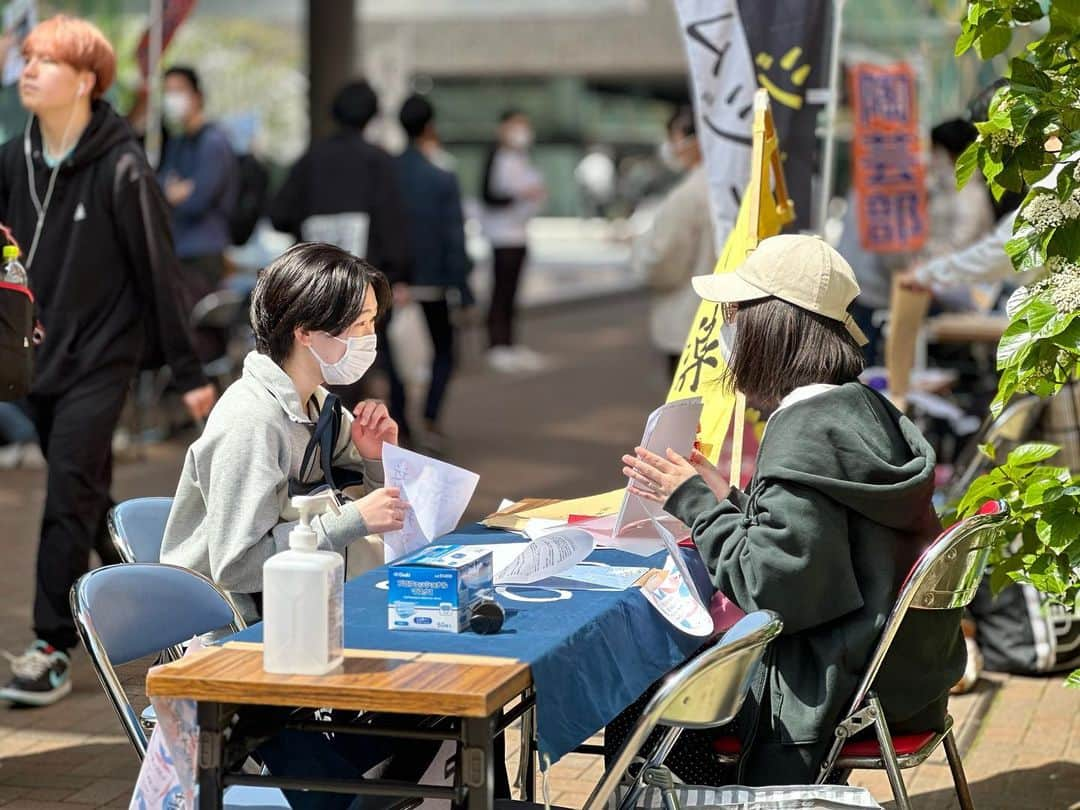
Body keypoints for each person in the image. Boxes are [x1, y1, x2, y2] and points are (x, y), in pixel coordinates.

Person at [617, 234, 964, 784]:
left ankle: (696, 796)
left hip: (827, 681)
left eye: (735, 315)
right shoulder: (861, 406)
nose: (727, 329)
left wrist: (692, 502)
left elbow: (771, 587)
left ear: (771, 327)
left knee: (638, 683)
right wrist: (726, 500)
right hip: (900, 671)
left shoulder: (801, 433)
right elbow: (818, 537)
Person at [0, 15, 214, 706]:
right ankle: (168, 598)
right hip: (34, 362)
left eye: (45, 61)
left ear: (87, 79)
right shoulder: (13, 159)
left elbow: (160, 275)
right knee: (86, 496)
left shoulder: (124, 167)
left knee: (67, 489)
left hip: (101, 360)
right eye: (25, 58)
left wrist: (189, 375)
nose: (28, 70)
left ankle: (50, 644)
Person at [161, 242, 405, 623]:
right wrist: (352, 520)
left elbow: (379, 509)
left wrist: (376, 457)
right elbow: (237, 566)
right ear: (305, 332)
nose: (369, 338)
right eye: (358, 324)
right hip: (239, 632)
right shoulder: (250, 422)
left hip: (306, 605)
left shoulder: (319, 406)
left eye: (372, 323)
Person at [269, 79, 412, 438]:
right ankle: (395, 431)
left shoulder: (310, 160)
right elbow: (392, 222)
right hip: (366, 280)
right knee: (374, 351)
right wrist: (398, 273)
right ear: (372, 116)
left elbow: (279, 213)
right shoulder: (377, 161)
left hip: (314, 283)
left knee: (318, 357)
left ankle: (323, 433)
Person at [395, 94, 471, 451]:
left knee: (388, 355)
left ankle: (400, 422)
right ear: (429, 127)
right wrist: (463, 287)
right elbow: (453, 235)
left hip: (393, 279)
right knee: (444, 351)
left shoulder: (386, 171)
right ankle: (429, 418)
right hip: (434, 281)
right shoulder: (441, 177)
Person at [157, 65, 239, 363]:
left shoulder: (214, 143)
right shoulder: (178, 143)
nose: (171, 98)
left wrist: (178, 193)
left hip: (204, 255)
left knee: (202, 338)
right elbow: (161, 191)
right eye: (167, 92)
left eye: (178, 90)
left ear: (197, 95)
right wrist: (174, 192)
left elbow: (197, 200)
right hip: (178, 253)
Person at [637, 106, 714, 378]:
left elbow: (662, 262)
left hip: (690, 323)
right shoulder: (739, 185)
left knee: (688, 415)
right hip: (736, 328)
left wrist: (639, 253)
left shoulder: (689, 194)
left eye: (675, 137)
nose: (672, 147)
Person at [480, 109, 547, 373]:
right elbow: (490, 195)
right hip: (501, 236)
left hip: (519, 233)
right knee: (501, 290)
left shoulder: (521, 159)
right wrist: (520, 195)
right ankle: (496, 344)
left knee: (512, 292)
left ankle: (509, 342)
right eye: (516, 125)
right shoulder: (496, 157)